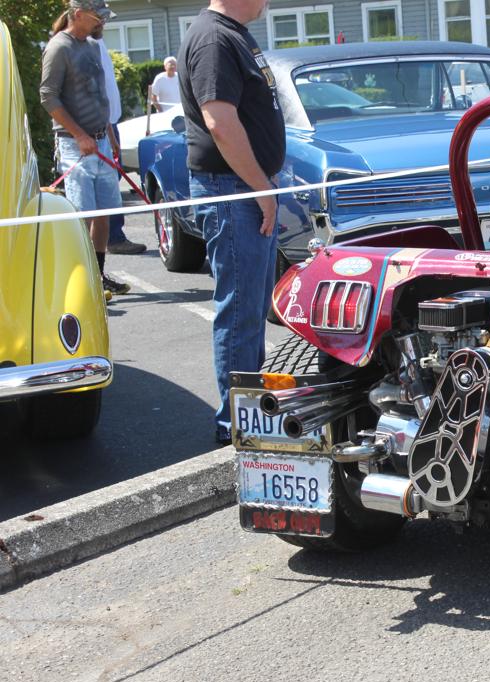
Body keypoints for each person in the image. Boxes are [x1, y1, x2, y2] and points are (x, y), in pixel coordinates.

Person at [178, 0, 284, 445]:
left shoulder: (230, 34)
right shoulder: (214, 38)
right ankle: (236, 423)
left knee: (251, 310)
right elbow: (219, 122)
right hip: (233, 189)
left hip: (243, 186)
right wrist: (261, 188)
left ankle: (249, 413)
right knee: (240, 311)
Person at [40, 0, 131, 295]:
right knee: (82, 216)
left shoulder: (92, 45)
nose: (101, 23)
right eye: (97, 17)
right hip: (75, 146)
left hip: (100, 141)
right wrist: (79, 135)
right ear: (78, 15)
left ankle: (98, 277)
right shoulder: (59, 47)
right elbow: (48, 97)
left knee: (103, 213)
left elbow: (97, 95)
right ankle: (78, 283)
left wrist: (109, 134)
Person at [97, 30, 147, 254]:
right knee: (105, 186)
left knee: (111, 181)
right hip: (101, 125)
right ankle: (112, 238)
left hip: (109, 122)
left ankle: (113, 236)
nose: (103, 22)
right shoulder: (83, 44)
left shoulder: (95, 42)